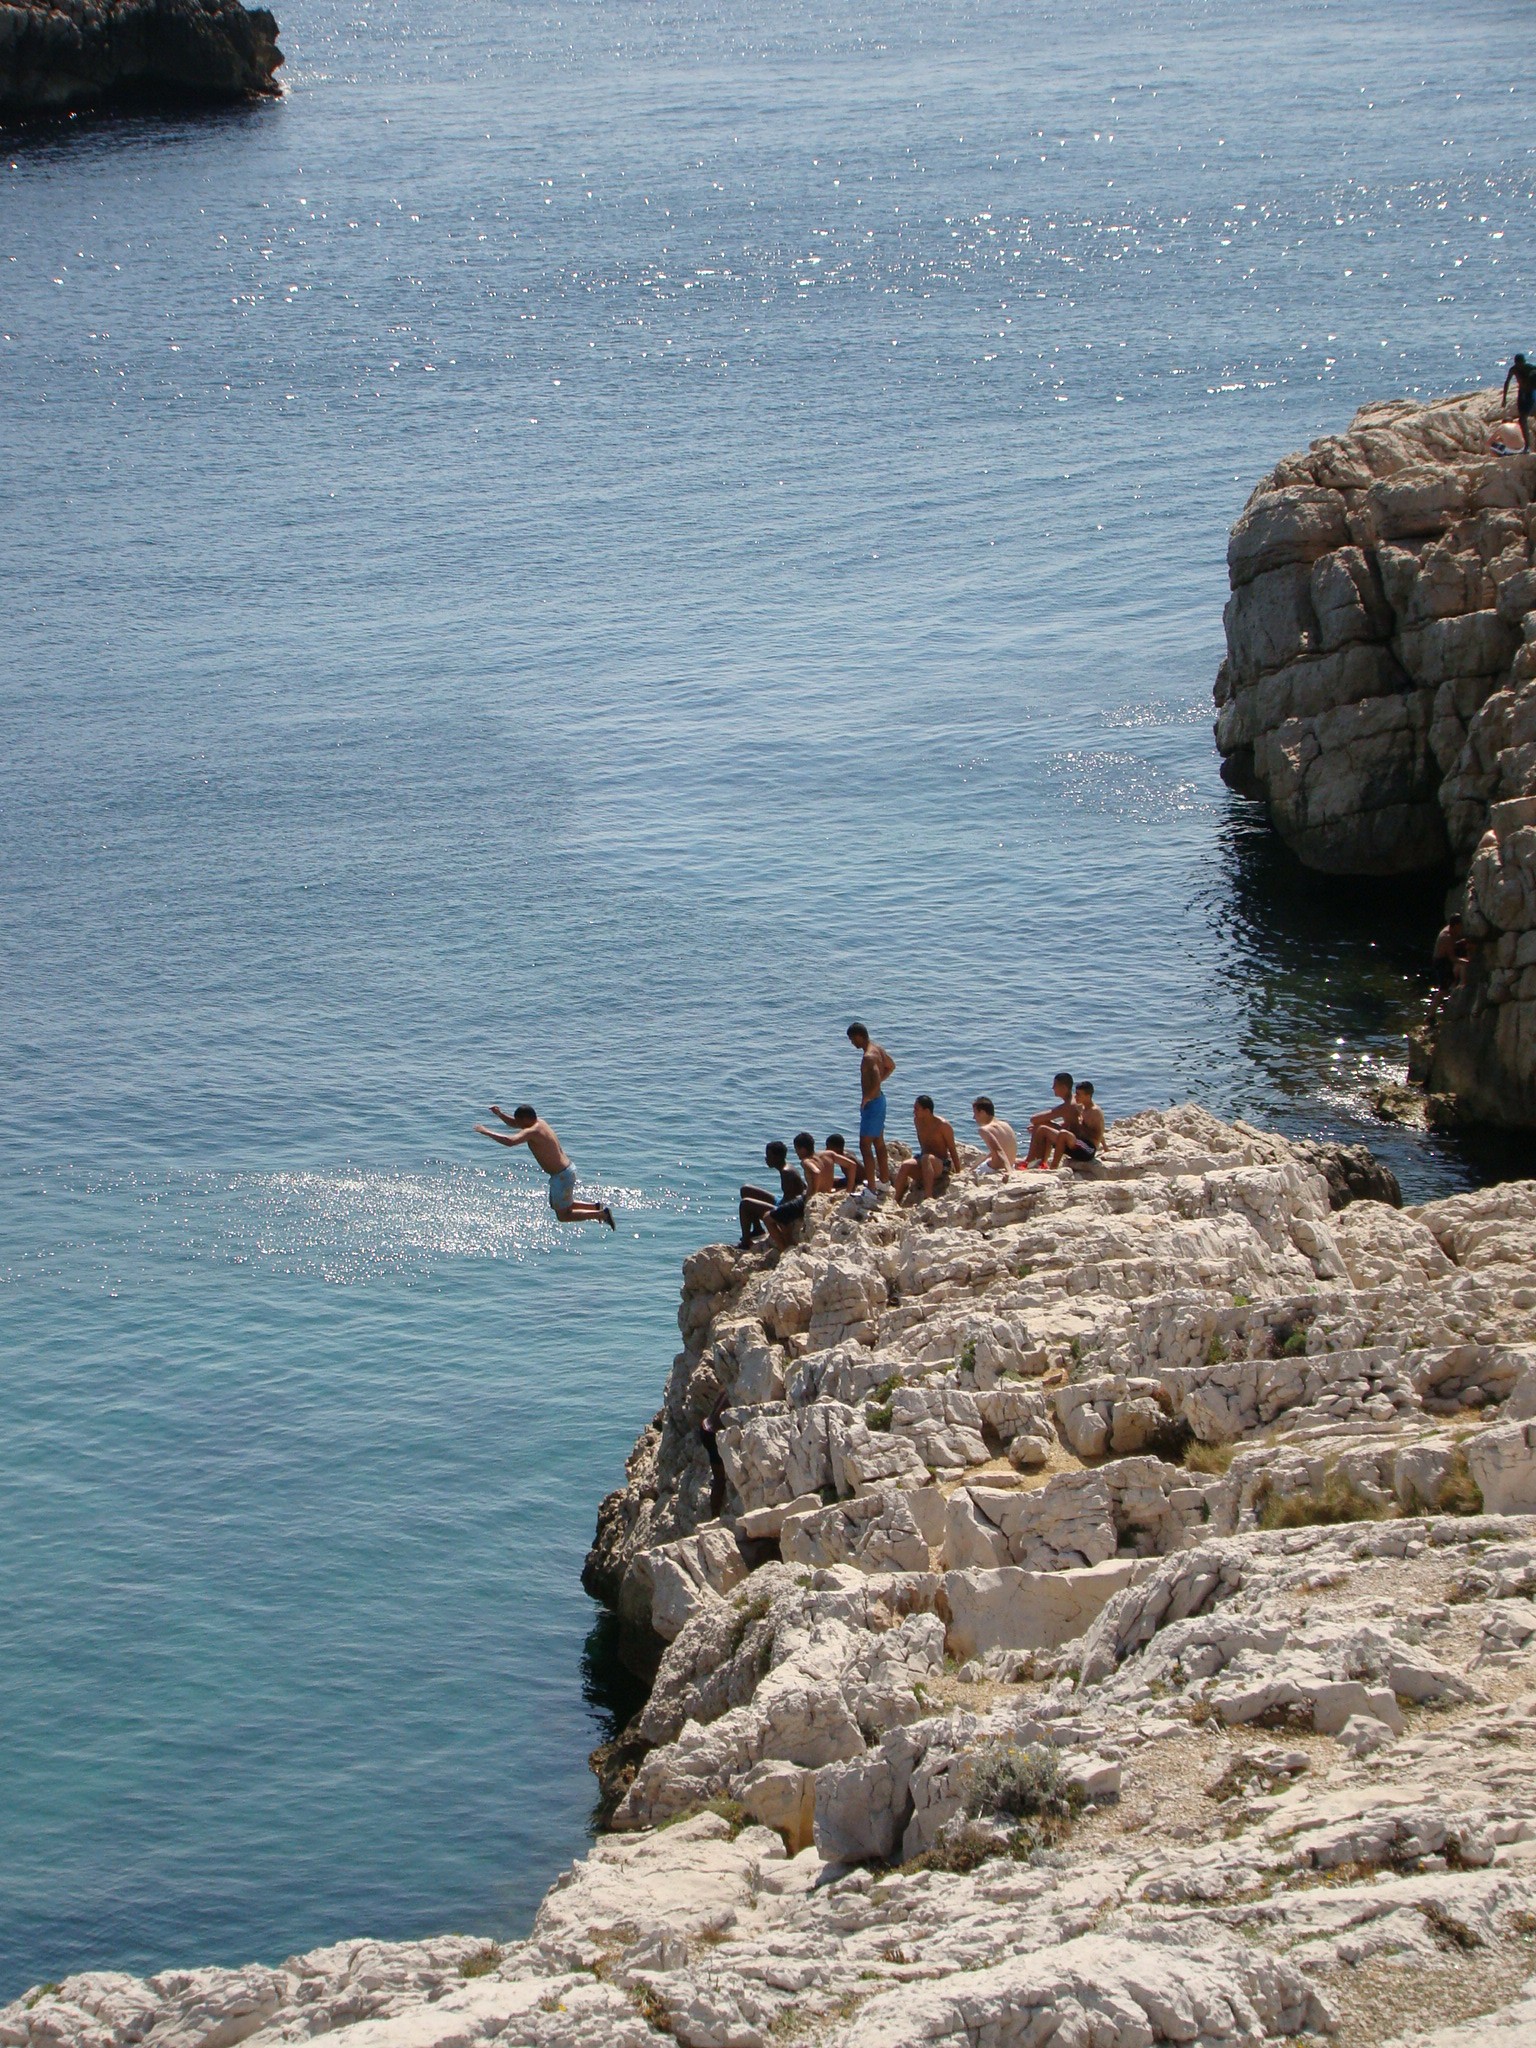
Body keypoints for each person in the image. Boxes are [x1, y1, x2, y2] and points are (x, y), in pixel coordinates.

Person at [474, 1104, 615, 1228]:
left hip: (561, 1176)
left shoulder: (532, 1131)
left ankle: (601, 1214)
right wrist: (499, 1114)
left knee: (563, 1216)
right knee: (560, 1204)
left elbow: (510, 1141)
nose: (518, 1125)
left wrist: (486, 1131)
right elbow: (514, 1123)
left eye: (520, 1122)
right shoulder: (540, 1123)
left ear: (526, 1119)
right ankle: (594, 1207)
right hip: (566, 1171)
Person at [847, 1021, 896, 1187]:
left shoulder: (868, 1057)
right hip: (880, 1100)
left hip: (873, 1104)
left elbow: (875, 1078)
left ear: (859, 1036)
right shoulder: (878, 1049)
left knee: (865, 1145)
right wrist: (878, 1086)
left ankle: (872, 1189)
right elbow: (891, 1066)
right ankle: (884, 1181)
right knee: (879, 1143)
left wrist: (867, 1097)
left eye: (852, 1039)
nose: (852, 1043)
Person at [893, 1095, 962, 1204]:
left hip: (941, 1164)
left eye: (916, 1109)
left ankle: (928, 1197)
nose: (913, 1112)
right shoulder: (917, 1121)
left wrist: (959, 1173)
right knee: (905, 1165)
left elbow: (952, 1149)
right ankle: (895, 1200)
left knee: (927, 1158)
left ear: (927, 1111)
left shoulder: (943, 1125)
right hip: (924, 1160)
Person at [739, 1141, 805, 1249]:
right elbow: (803, 1187)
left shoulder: (787, 1173)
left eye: (769, 1156)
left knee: (745, 1204)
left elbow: (789, 1205)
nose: (766, 1158)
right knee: (746, 1190)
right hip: (782, 1201)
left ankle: (745, 1243)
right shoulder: (787, 1168)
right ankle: (757, 1229)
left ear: (777, 1157)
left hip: (786, 1209)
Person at [1038, 1082, 1105, 1170]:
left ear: (1087, 1096)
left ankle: (1054, 1167)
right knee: (1046, 1130)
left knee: (1063, 1133)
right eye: (1075, 1093)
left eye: (1078, 1094)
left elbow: (1098, 1134)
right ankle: (1043, 1163)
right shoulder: (1081, 1108)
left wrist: (1079, 1125)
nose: (1075, 1096)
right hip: (1079, 1143)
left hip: (1088, 1149)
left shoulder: (1095, 1111)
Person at [1022, 1072, 1076, 1167]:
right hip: (1072, 1135)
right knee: (1043, 1126)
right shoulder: (1075, 1099)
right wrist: (1050, 1124)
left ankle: (1030, 1161)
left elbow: (1034, 1119)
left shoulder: (1067, 1106)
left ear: (1064, 1088)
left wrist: (1043, 1125)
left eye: (1055, 1085)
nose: (1052, 1088)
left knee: (1041, 1128)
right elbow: (1071, 1122)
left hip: (1073, 1141)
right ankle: (1042, 1162)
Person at [971, 1096, 1018, 1172]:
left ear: (982, 1112)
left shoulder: (984, 1130)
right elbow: (1001, 1149)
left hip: (996, 1168)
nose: (974, 1117)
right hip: (1012, 1164)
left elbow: (998, 1150)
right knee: (977, 1166)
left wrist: (1009, 1171)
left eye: (975, 1113)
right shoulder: (1005, 1124)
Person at [1431, 914, 1471, 1003]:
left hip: (1445, 957)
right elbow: (1452, 958)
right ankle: (1431, 1011)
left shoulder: (1451, 930)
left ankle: (1456, 985)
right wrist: (1466, 962)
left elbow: (1453, 945)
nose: (1461, 927)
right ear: (1456, 925)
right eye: (1460, 925)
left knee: (1465, 949)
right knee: (1443, 990)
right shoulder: (1446, 937)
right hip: (1441, 962)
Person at [1504, 354, 1536, 452]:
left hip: (1532, 393)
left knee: (1524, 418)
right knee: (1522, 420)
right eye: (1519, 364)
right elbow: (1507, 382)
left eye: (1522, 363)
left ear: (1524, 362)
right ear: (1516, 363)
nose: (1521, 365)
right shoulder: (1513, 369)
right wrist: (1504, 399)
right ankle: (1527, 446)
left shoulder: (1531, 368)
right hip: (1522, 394)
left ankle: (1527, 446)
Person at [793, 1130, 838, 1195]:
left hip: (819, 1195)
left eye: (796, 1149)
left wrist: (813, 1193)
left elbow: (816, 1172)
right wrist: (848, 1190)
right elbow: (851, 1165)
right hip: (828, 1191)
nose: (796, 1152)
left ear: (803, 1149)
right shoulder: (828, 1154)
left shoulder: (806, 1161)